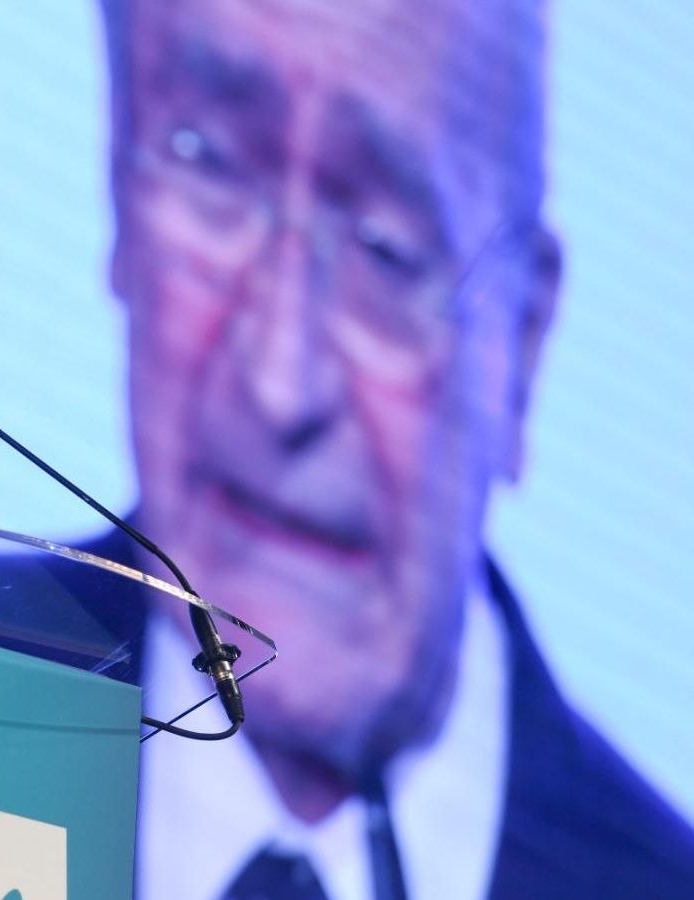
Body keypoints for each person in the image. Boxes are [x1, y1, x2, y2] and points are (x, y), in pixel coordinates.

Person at [98, 0, 694, 896]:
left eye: (388, 250)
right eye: (208, 161)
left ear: (521, 348)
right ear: (119, 193)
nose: (280, 383)